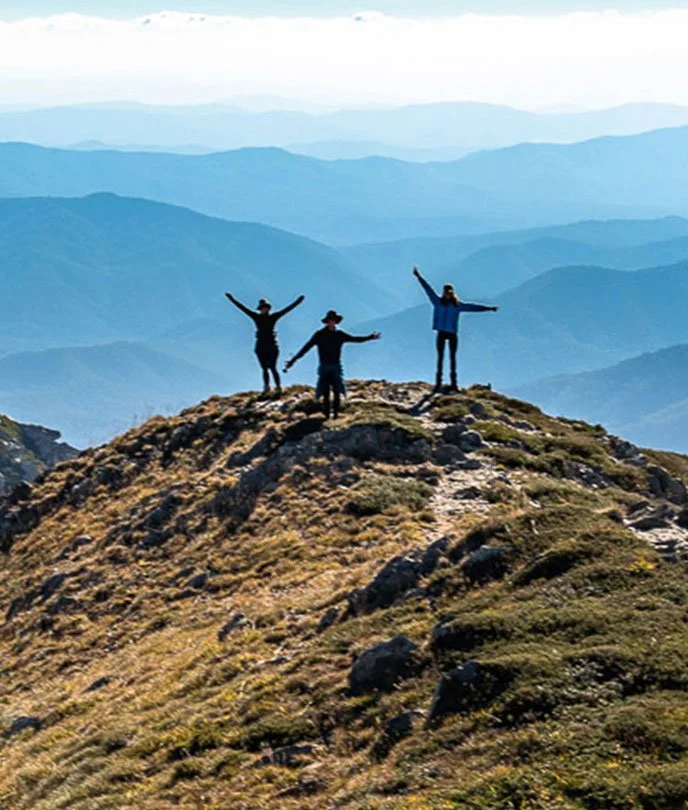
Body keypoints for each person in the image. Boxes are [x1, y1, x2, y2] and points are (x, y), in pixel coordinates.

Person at [413, 266, 498, 393]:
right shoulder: (437, 302)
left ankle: (453, 384)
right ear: (444, 293)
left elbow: (473, 307)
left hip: (452, 334)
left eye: (449, 293)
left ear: (452, 293)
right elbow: (428, 289)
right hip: (441, 333)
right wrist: (419, 277)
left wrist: (489, 308)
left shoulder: (457, 305)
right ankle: (438, 383)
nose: (447, 295)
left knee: (452, 358)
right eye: (446, 293)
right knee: (440, 358)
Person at [284, 310, 381, 419]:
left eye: (333, 321)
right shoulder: (319, 335)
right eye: (330, 321)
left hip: (335, 366)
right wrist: (293, 360)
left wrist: (369, 337)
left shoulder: (339, 334)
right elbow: (306, 348)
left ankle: (334, 414)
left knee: (336, 391)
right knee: (325, 392)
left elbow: (355, 339)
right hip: (325, 366)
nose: (331, 323)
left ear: (335, 322)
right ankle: (326, 415)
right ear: (327, 322)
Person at [225, 292, 305, 394]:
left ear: (268, 309)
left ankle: (278, 387)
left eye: (265, 307)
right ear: (260, 309)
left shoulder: (273, 317)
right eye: (262, 308)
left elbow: (287, 310)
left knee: (273, 368)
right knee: (264, 369)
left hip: (272, 346)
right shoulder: (256, 317)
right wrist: (232, 299)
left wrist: (298, 301)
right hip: (261, 347)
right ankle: (266, 388)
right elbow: (242, 308)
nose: (264, 309)